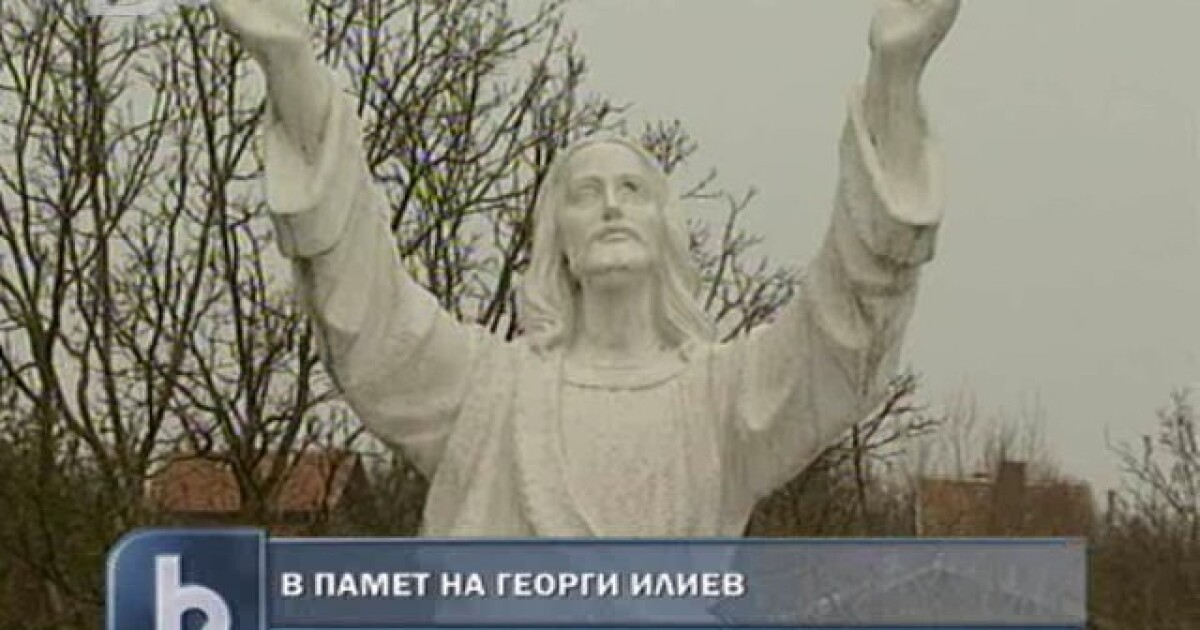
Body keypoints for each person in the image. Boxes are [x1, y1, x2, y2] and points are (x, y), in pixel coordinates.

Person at [211, 0, 961, 537]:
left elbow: (843, 326)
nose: (609, 206)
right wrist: (290, 66)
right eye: (584, 193)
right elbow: (368, 310)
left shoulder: (721, 399)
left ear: (665, 228)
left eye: (632, 190)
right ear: (557, 237)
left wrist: (894, 78)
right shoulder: (486, 391)